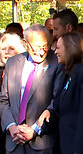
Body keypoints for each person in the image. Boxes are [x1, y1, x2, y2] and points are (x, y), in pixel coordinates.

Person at [0, 24, 63, 153]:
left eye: (44, 47)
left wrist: (35, 130)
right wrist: (11, 127)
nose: (40, 52)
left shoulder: (57, 63)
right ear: (26, 43)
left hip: (41, 144)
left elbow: (57, 101)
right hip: (14, 141)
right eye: (36, 48)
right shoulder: (12, 63)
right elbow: (4, 100)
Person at [40, 32, 83, 154]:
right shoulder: (67, 73)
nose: (55, 52)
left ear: (70, 48)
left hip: (78, 146)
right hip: (65, 143)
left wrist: (79, 149)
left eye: (58, 48)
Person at [0, 33, 26, 154]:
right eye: (3, 49)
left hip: (17, 134)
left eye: (11, 48)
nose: (7, 52)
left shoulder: (26, 73)